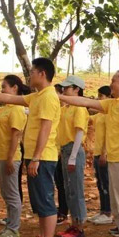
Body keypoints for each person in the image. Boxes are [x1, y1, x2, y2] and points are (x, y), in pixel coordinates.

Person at [59, 70, 119, 237]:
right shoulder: (114, 103)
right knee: (117, 204)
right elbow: (86, 102)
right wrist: (59, 96)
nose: (111, 84)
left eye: (113, 80)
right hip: (115, 159)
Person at [0, 58, 61, 237]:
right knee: (38, 201)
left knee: (45, 200)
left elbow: (45, 129)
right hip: (34, 156)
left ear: (42, 74)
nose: (30, 76)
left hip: (43, 157)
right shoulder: (37, 97)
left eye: (33, 72)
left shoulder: (48, 97)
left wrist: (36, 157)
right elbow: (10, 99)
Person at [0, 75, 28, 237]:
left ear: (14, 88)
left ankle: (14, 229)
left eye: (4, 87)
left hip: (11, 157)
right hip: (2, 156)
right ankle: (9, 225)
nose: (1, 91)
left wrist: (10, 159)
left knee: (12, 194)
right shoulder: (6, 108)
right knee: (6, 192)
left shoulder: (17, 109)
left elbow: (16, 134)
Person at [56, 76, 89, 237]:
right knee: (68, 189)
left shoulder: (79, 108)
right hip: (65, 150)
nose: (64, 91)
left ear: (77, 89)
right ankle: (74, 223)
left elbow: (79, 132)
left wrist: (73, 157)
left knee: (76, 189)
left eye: (67, 88)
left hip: (73, 150)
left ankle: (80, 226)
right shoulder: (67, 107)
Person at [86, 85, 113, 225]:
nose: (99, 99)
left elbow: (110, 136)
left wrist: (105, 153)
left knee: (106, 183)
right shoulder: (99, 116)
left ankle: (108, 212)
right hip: (97, 153)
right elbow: (89, 113)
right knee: (100, 183)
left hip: (104, 154)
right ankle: (103, 210)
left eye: (101, 96)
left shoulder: (109, 115)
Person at [53, 84, 69, 225]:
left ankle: (64, 212)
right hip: (55, 151)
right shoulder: (57, 110)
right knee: (58, 183)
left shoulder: (66, 111)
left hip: (64, 151)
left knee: (64, 184)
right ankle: (61, 209)